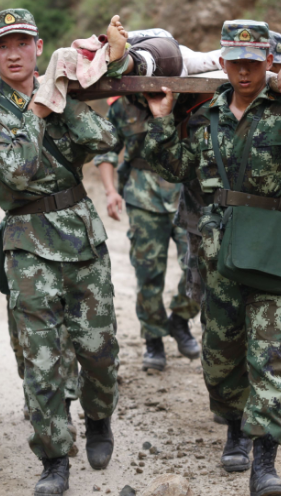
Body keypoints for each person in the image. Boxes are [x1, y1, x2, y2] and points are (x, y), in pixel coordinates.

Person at [142, 20, 281, 496]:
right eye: (235, 62)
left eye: (253, 62)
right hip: (219, 250)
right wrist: (160, 116)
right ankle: (233, 423)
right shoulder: (207, 113)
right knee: (220, 356)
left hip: (272, 244)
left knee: (269, 355)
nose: (244, 71)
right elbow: (173, 166)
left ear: (268, 61)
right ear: (223, 62)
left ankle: (264, 460)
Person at [0, 9, 123, 496]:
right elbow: (11, 176)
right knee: (41, 361)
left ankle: (100, 419)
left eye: (23, 42)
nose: (14, 53)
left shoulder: (64, 91)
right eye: (4, 45)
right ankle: (54, 459)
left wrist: (65, 98)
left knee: (98, 351)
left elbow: (105, 139)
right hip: (28, 247)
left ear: (39, 47)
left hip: (82, 239)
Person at [94, 25, 220, 371]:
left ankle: (181, 319)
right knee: (148, 273)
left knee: (196, 265)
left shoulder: (181, 96)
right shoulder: (121, 108)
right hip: (142, 192)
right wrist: (110, 192)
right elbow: (106, 152)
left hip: (183, 192)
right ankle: (153, 339)